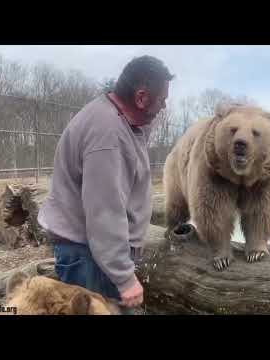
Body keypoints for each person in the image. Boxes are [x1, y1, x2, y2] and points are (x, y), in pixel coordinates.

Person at [37, 55, 174, 313]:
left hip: (94, 253)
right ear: (141, 98)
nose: (164, 106)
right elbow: (104, 214)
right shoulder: (107, 135)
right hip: (89, 256)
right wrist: (124, 277)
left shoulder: (119, 118)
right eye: (162, 100)